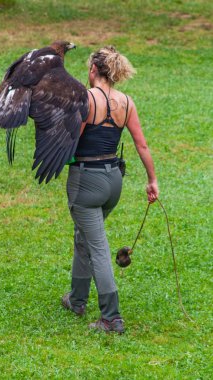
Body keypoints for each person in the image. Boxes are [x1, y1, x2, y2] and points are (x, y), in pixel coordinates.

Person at [62, 46, 159, 333]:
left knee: (98, 247)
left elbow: (71, 140)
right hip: (113, 182)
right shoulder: (126, 102)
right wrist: (152, 180)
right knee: (85, 236)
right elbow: (141, 145)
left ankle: (111, 318)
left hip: (86, 181)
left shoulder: (86, 98)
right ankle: (77, 299)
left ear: (93, 69)